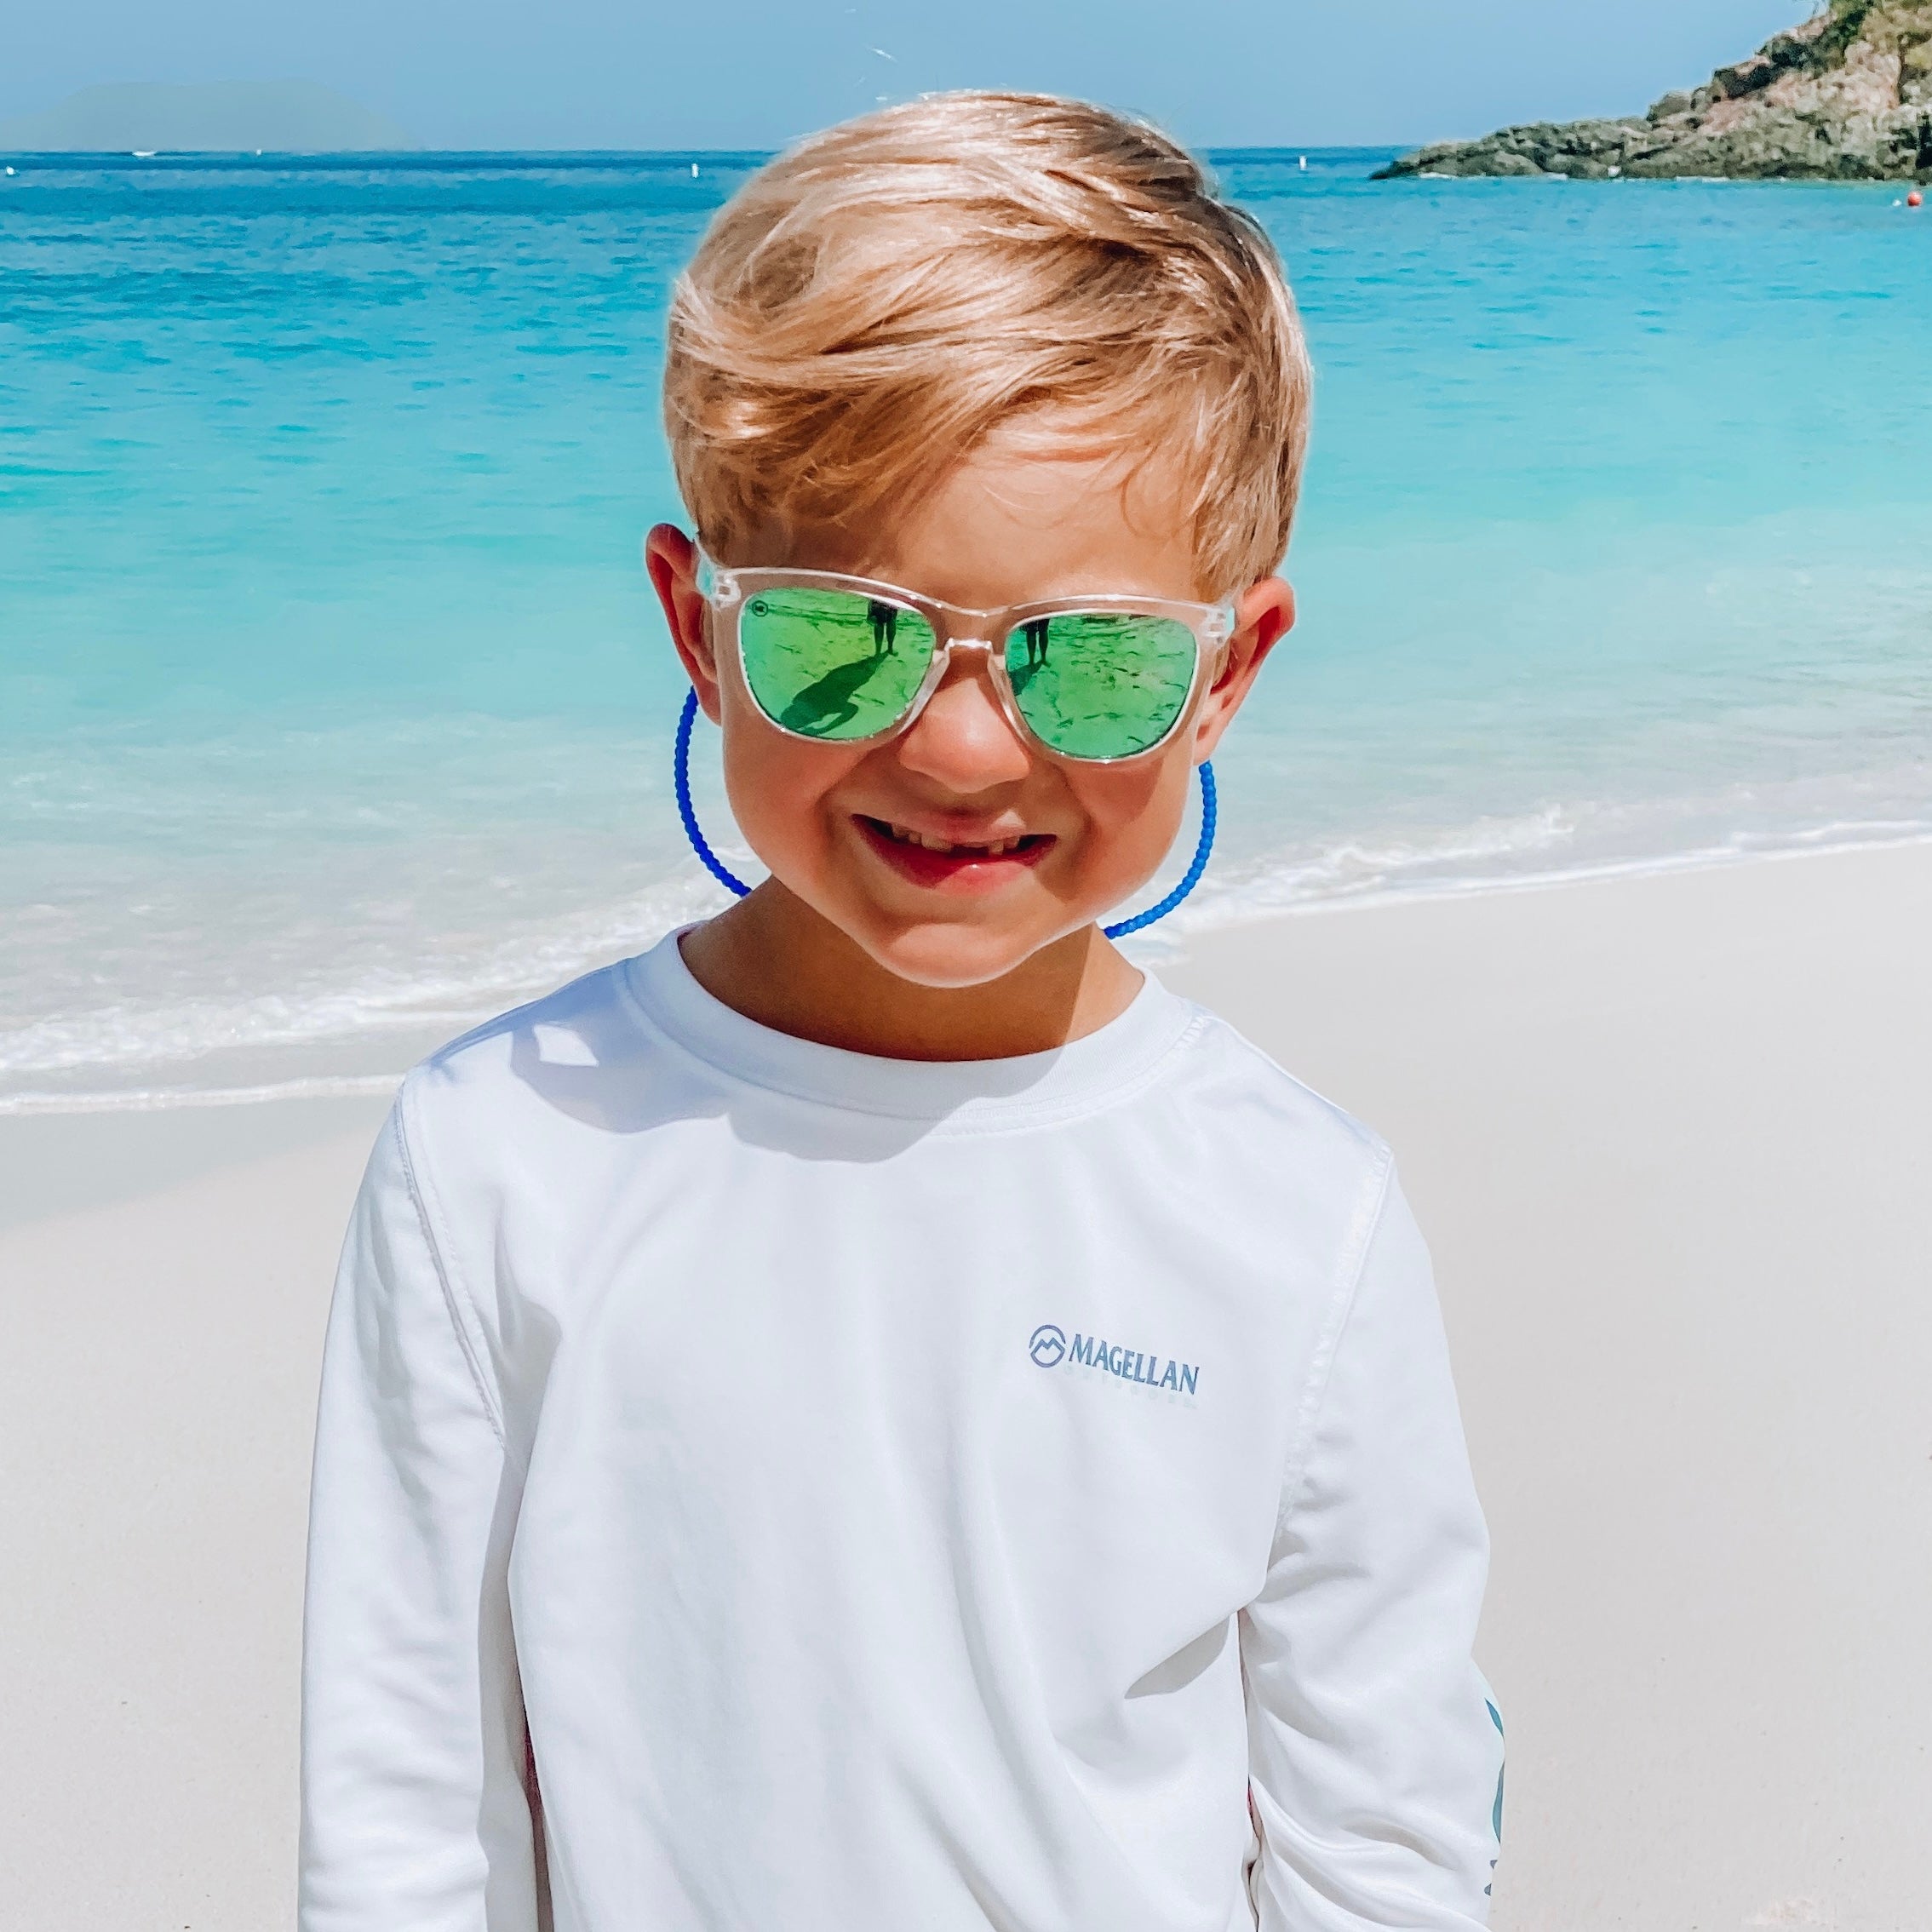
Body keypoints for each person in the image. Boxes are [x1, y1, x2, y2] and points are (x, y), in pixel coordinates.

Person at [299, 92, 1504, 1932]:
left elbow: (1383, 1834)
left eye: (1088, 659)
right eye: (838, 636)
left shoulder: (1294, 1210)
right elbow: (406, 1815)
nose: (957, 750)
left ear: (1226, 671)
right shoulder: (506, 1153)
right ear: (698, 628)